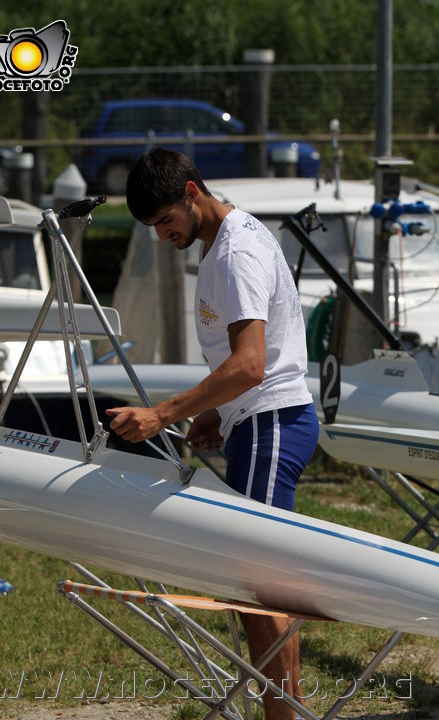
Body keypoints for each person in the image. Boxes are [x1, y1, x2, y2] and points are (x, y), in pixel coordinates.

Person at [106, 148, 319, 720]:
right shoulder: (219, 246)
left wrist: (164, 414)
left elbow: (252, 366)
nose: (162, 236)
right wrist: (217, 414)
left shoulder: (237, 252)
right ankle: (286, 711)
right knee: (257, 585)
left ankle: (284, 715)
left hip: (275, 422)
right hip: (257, 423)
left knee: (258, 587)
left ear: (192, 193)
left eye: (165, 221)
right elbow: (247, 364)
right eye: (152, 228)